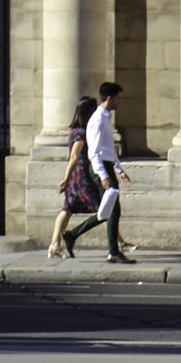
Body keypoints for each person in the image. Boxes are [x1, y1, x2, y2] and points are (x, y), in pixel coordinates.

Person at [61, 81, 135, 264]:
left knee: (110, 210)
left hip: (107, 166)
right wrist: (103, 176)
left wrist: (119, 170)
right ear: (109, 98)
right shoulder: (98, 120)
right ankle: (112, 251)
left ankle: (73, 235)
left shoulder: (105, 118)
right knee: (112, 210)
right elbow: (94, 152)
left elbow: (108, 149)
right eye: (118, 98)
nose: (120, 102)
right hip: (100, 167)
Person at [48, 96, 101, 258]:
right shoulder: (81, 133)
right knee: (104, 209)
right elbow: (74, 156)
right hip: (80, 177)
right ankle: (119, 243)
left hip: (76, 176)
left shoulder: (74, 131)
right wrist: (66, 178)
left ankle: (54, 245)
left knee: (67, 209)